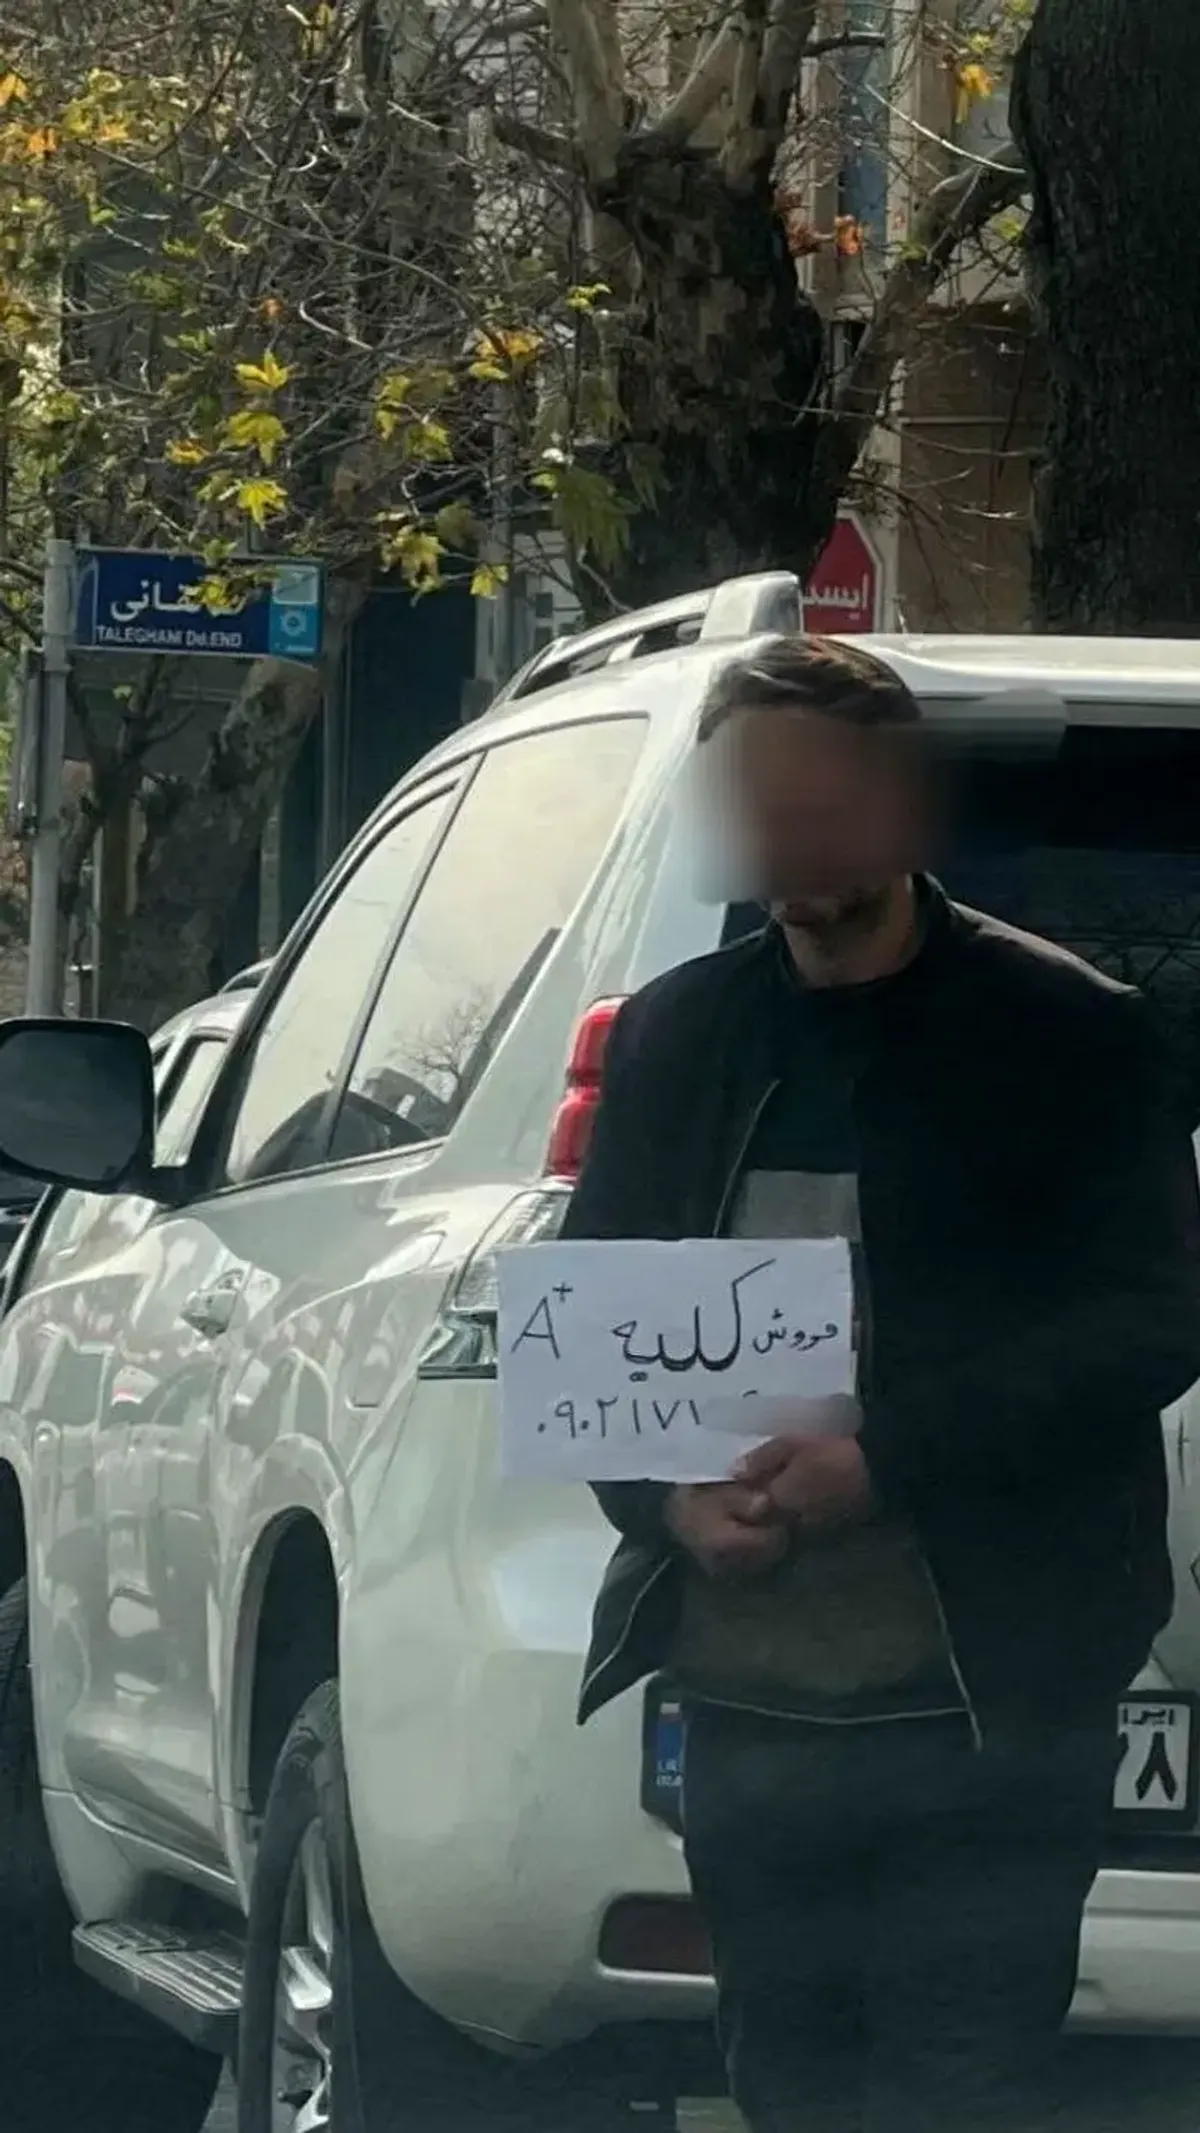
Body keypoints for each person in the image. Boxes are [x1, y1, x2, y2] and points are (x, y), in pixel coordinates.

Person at [564, 635, 1200, 2133]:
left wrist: (889, 1459)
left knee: (959, 2084)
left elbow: (1158, 1316)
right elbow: (594, 1330)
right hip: (756, 1697)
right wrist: (666, 1504)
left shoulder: (1067, 1032)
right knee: (785, 2074)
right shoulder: (676, 1037)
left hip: (995, 1695)